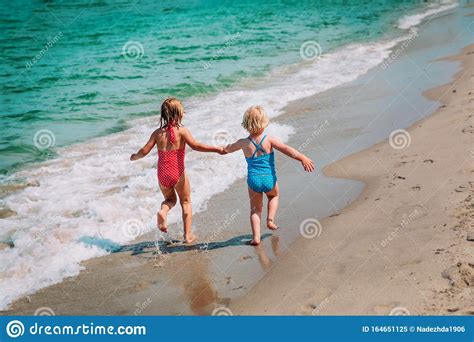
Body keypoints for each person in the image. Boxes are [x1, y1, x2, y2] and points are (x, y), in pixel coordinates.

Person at [130, 97, 224, 243]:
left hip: (162, 174)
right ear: (177, 115)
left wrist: (135, 157)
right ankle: (187, 236)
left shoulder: (157, 133)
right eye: (182, 111)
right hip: (178, 173)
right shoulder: (182, 131)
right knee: (185, 202)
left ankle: (163, 212)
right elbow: (196, 146)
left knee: (169, 200)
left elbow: (144, 150)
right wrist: (217, 149)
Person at [224, 106, 315, 245]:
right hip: (269, 179)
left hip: (253, 181)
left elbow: (228, 148)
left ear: (246, 123)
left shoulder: (243, 142)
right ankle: (270, 220)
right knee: (273, 196)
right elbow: (287, 150)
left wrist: (220, 149)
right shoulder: (269, 140)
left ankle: (256, 237)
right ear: (264, 123)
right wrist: (302, 158)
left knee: (255, 210)